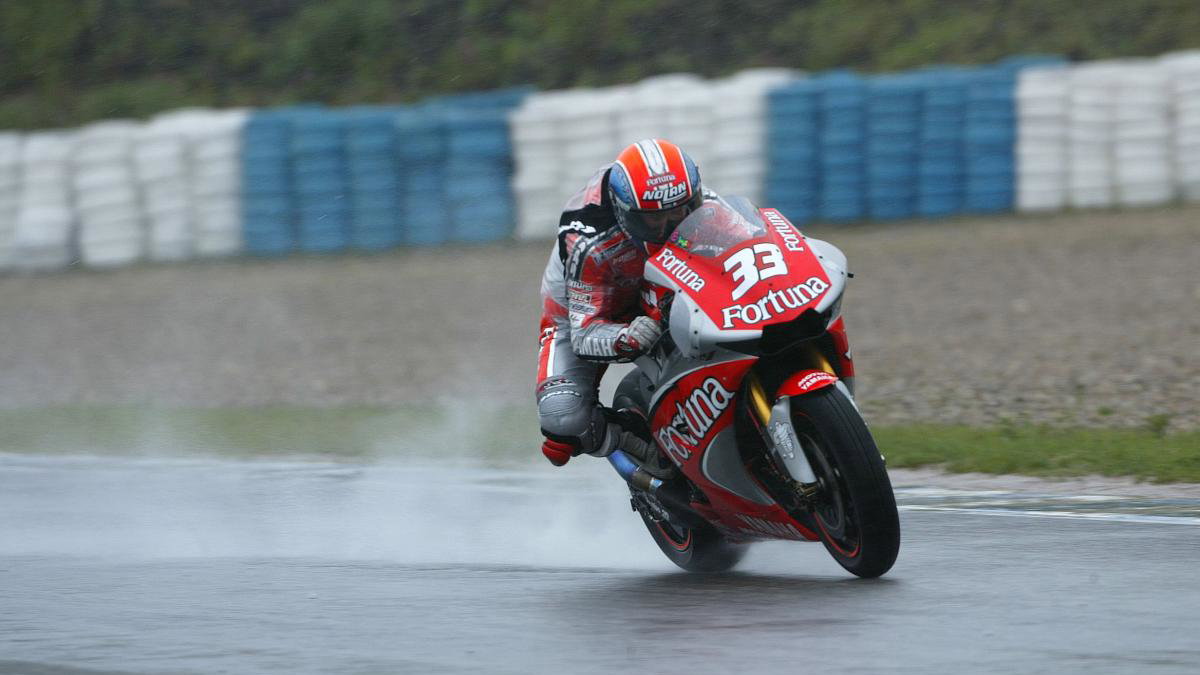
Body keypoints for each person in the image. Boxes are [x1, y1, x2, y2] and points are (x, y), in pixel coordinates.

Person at [534, 138, 714, 467]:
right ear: (624, 212)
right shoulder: (589, 241)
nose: (670, 226)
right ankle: (634, 442)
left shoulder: (696, 202)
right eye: (654, 220)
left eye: (679, 212)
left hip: (660, 289)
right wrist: (625, 337)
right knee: (562, 418)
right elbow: (583, 334)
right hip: (584, 312)